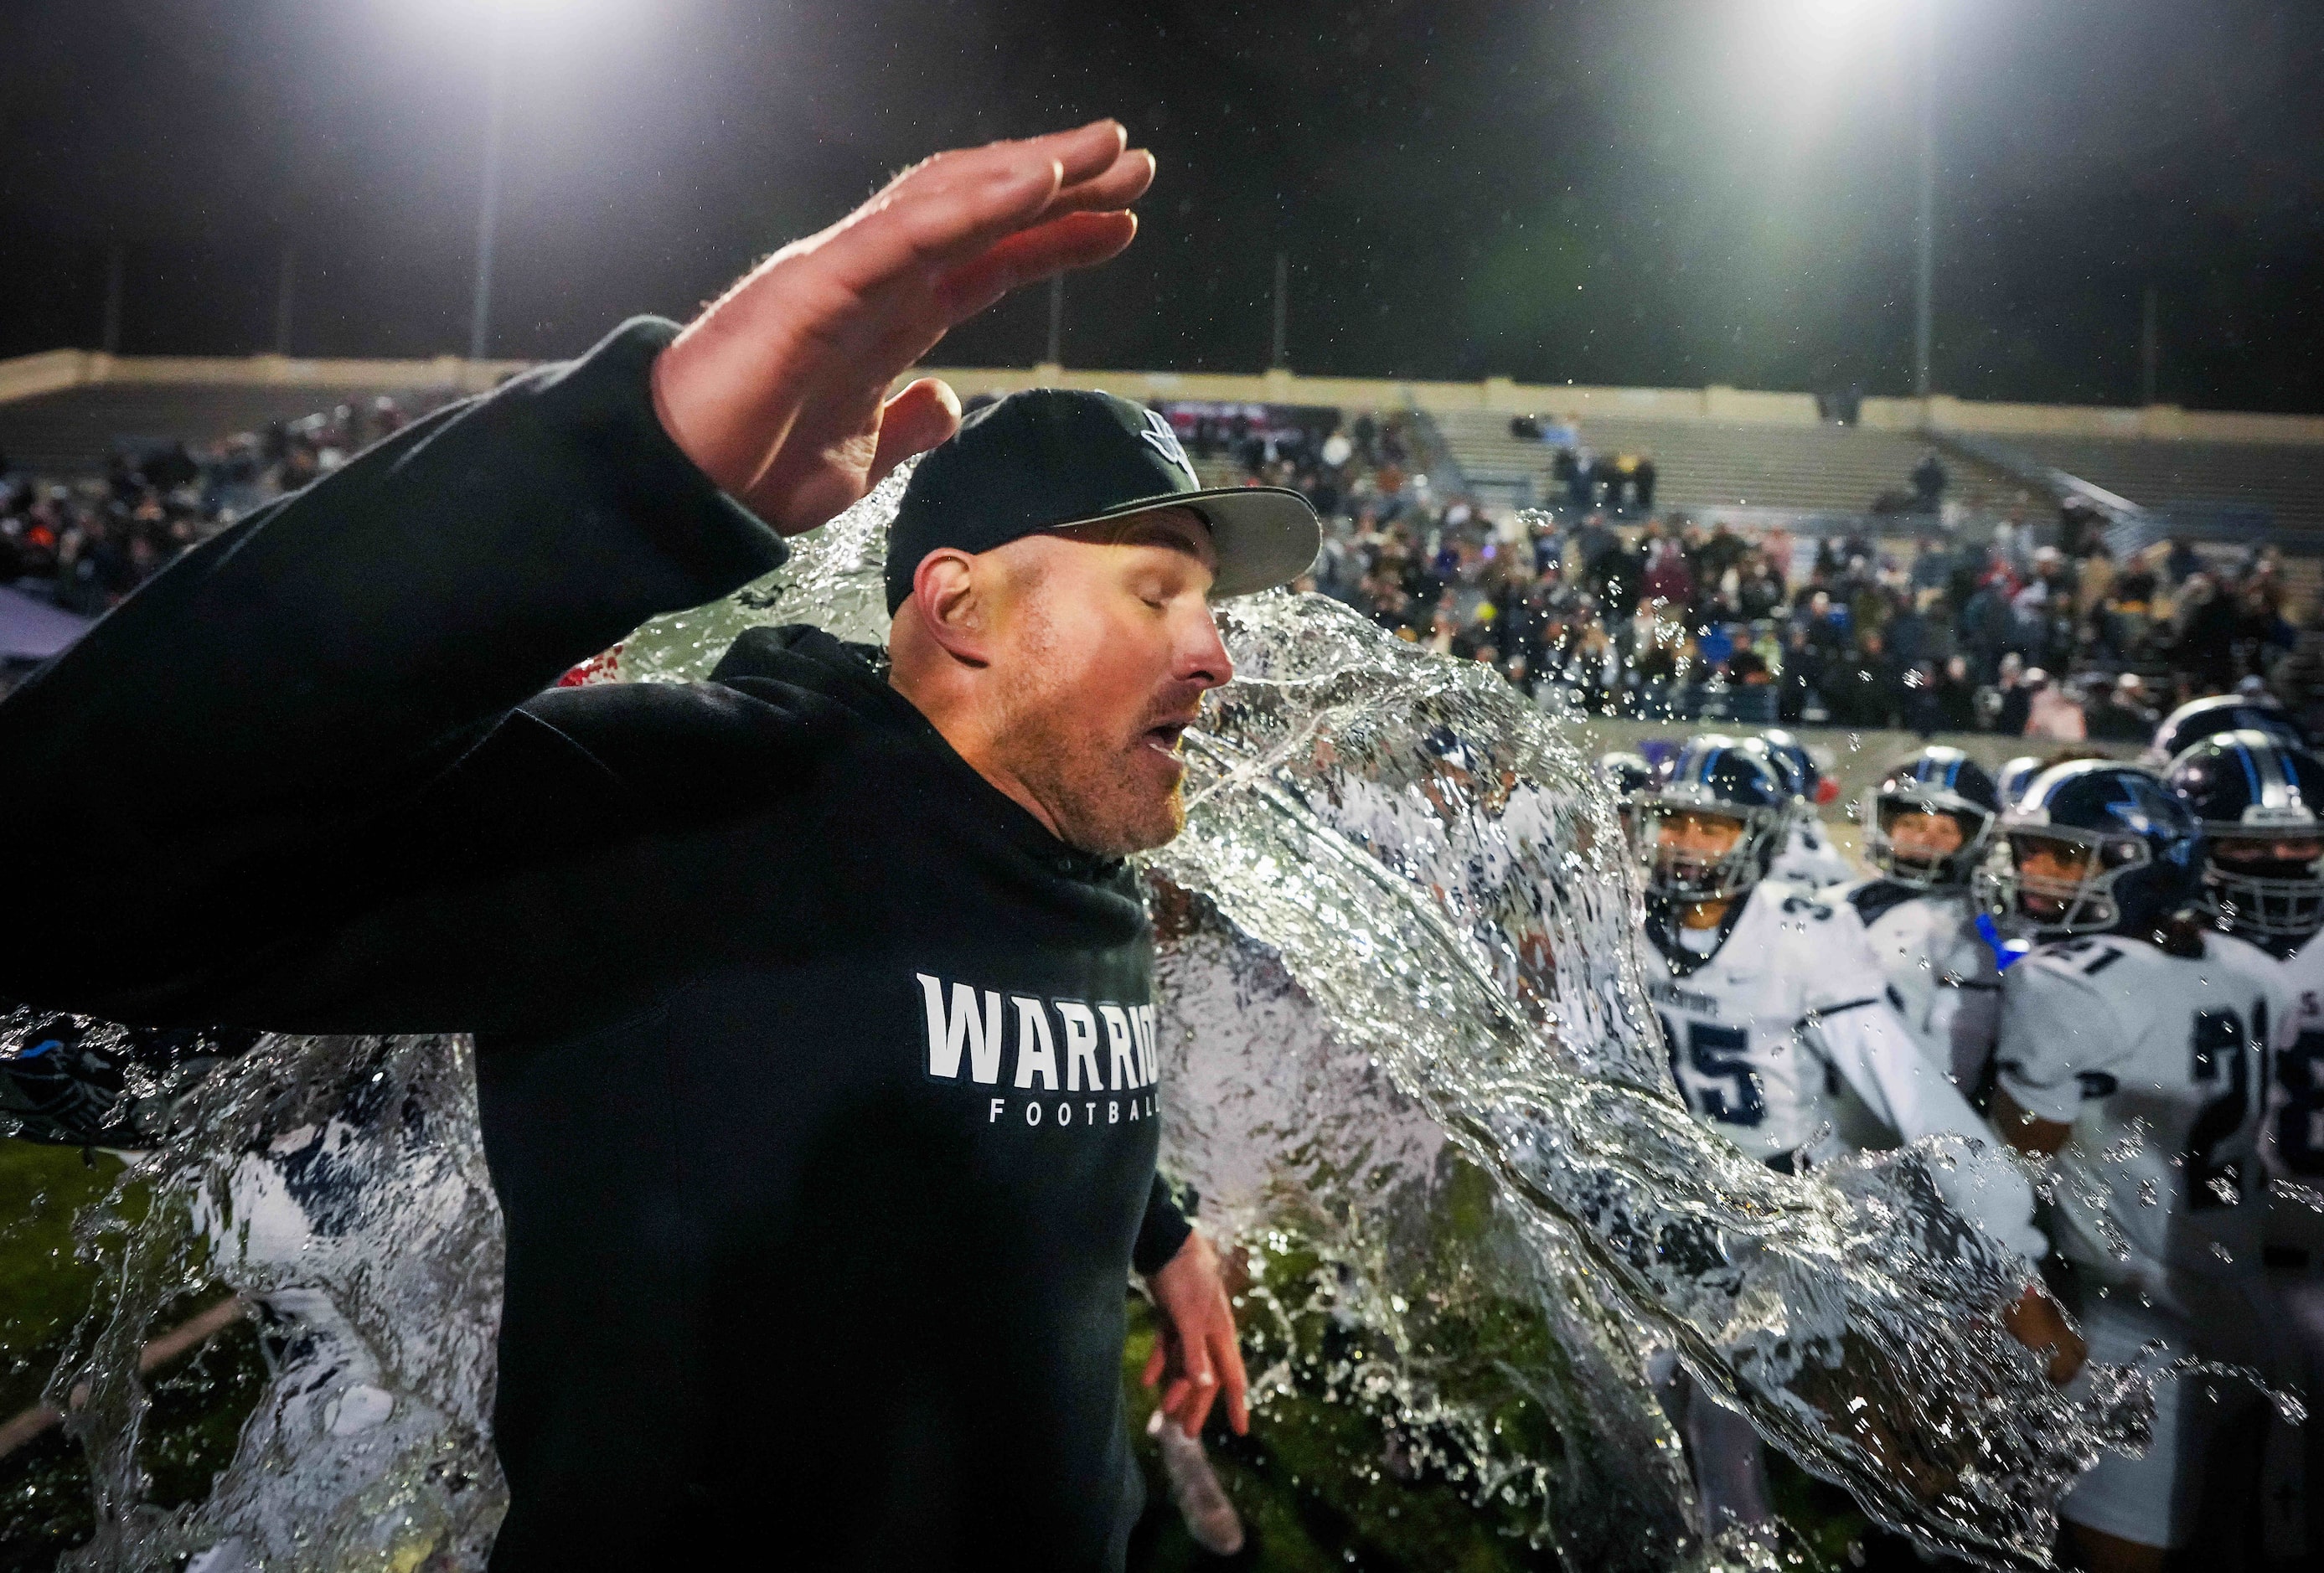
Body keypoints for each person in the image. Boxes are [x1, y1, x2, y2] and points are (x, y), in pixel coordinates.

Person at [0, 121, 1294, 1571]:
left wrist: (1155, 1231)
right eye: (1155, 592)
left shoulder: (1071, 850)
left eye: (1209, 606)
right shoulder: (697, 815)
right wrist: (620, 475)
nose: (1214, 655)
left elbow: (991, 1058)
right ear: (963, 609)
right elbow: (68, 864)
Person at [1629, 737, 2068, 1536]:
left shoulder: (1802, 929)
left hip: (1772, 1194)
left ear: (1758, 837)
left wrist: (2012, 1252)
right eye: (1676, 823)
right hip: (1663, 1178)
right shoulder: (1630, 910)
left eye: (1713, 827)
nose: (1687, 843)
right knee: (1654, 1382)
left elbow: (1910, 1087)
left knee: (1732, 1400)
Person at [1985, 761, 2302, 1572]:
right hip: (2248, 1302)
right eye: (2028, 850)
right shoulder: (2255, 971)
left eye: (2061, 855)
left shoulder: (2061, 987)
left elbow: (2001, 1180)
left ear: (2139, 863)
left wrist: (2022, 1308)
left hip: (2130, 1323)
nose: (2032, 872)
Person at [1842, 748, 2006, 1095]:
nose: (1925, 840)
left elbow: (1956, 1073)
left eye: (1945, 829)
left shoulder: (1978, 931)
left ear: (1977, 839)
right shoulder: (1841, 900)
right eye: (1910, 824)